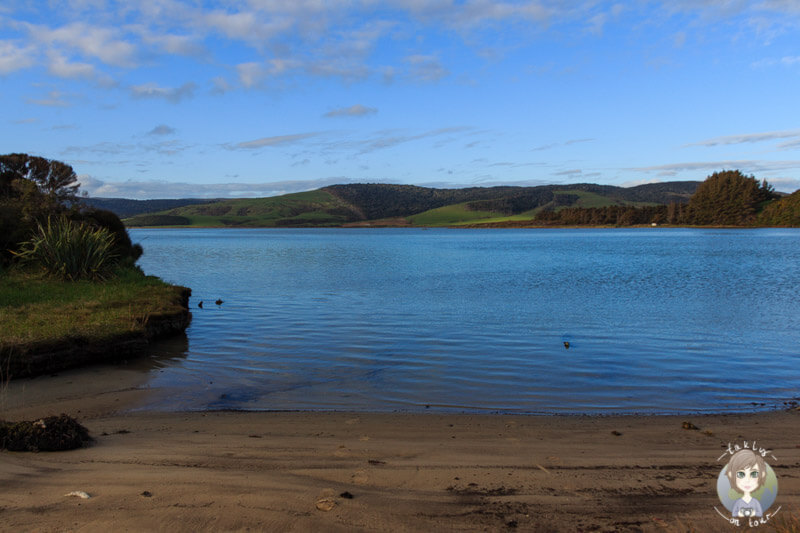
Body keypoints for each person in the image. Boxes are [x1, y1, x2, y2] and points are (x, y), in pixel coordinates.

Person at [725, 449, 767, 518]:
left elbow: (760, 513)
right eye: (741, 474)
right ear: (731, 475)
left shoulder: (755, 502)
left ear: (762, 475)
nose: (747, 480)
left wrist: (753, 513)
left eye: (754, 474)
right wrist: (739, 514)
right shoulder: (738, 502)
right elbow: (734, 514)